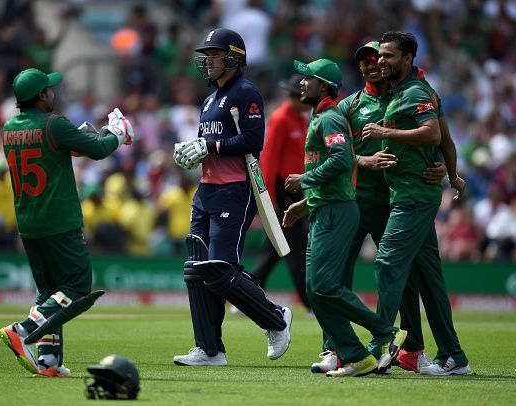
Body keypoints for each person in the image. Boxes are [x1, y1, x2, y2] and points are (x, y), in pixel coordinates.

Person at [310, 40, 461, 375]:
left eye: (376, 58)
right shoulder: (350, 106)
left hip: (396, 201)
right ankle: (333, 348)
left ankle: (409, 350)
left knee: (404, 278)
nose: (370, 65)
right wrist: (364, 160)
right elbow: (334, 154)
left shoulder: (405, 95)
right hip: (355, 199)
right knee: (337, 276)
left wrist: (439, 167)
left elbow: (432, 138)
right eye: (364, 61)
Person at [0, 67, 134, 377]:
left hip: (28, 223)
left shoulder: (9, 128)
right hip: (59, 221)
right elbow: (99, 151)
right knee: (77, 286)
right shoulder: (54, 124)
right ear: (42, 95)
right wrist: (116, 133)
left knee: (50, 292)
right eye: (49, 90)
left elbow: (53, 148)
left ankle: (48, 361)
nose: (54, 94)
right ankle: (22, 330)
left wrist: (81, 137)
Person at [172, 28, 292, 366]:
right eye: (205, 55)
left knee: (221, 269)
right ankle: (209, 350)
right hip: (206, 190)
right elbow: (208, 145)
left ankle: (276, 318)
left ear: (234, 57)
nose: (207, 60)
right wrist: (192, 152)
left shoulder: (246, 93)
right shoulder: (209, 100)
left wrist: (209, 145)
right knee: (196, 269)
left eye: (214, 54)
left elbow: (254, 141)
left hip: (235, 190)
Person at [282, 58, 406, 377]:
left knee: (324, 285)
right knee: (315, 290)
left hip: (337, 210)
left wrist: (304, 181)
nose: (301, 82)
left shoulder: (330, 118)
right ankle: (354, 355)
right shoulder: (321, 117)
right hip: (325, 207)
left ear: (324, 86)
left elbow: (341, 160)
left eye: (308, 77)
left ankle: (387, 333)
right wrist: (306, 203)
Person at [362, 31, 470, 375]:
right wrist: (451, 175)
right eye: (380, 55)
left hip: (413, 197)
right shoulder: (405, 92)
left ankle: (380, 345)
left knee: (387, 263)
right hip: (409, 194)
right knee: (429, 281)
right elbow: (447, 141)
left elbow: (434, 135)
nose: (381, 60)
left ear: (408, 59)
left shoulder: (416, 92)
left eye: (389, 56)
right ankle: (454, 356)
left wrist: (386, 133)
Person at [250, 74, 311, 312]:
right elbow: (268, 161)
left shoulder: (300, 120)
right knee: (296, 247)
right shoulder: (281, 119)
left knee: (275, 247)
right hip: (280, 191)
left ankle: (247, 293)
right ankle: (310, 303)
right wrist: (270, 200)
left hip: (295, 191)